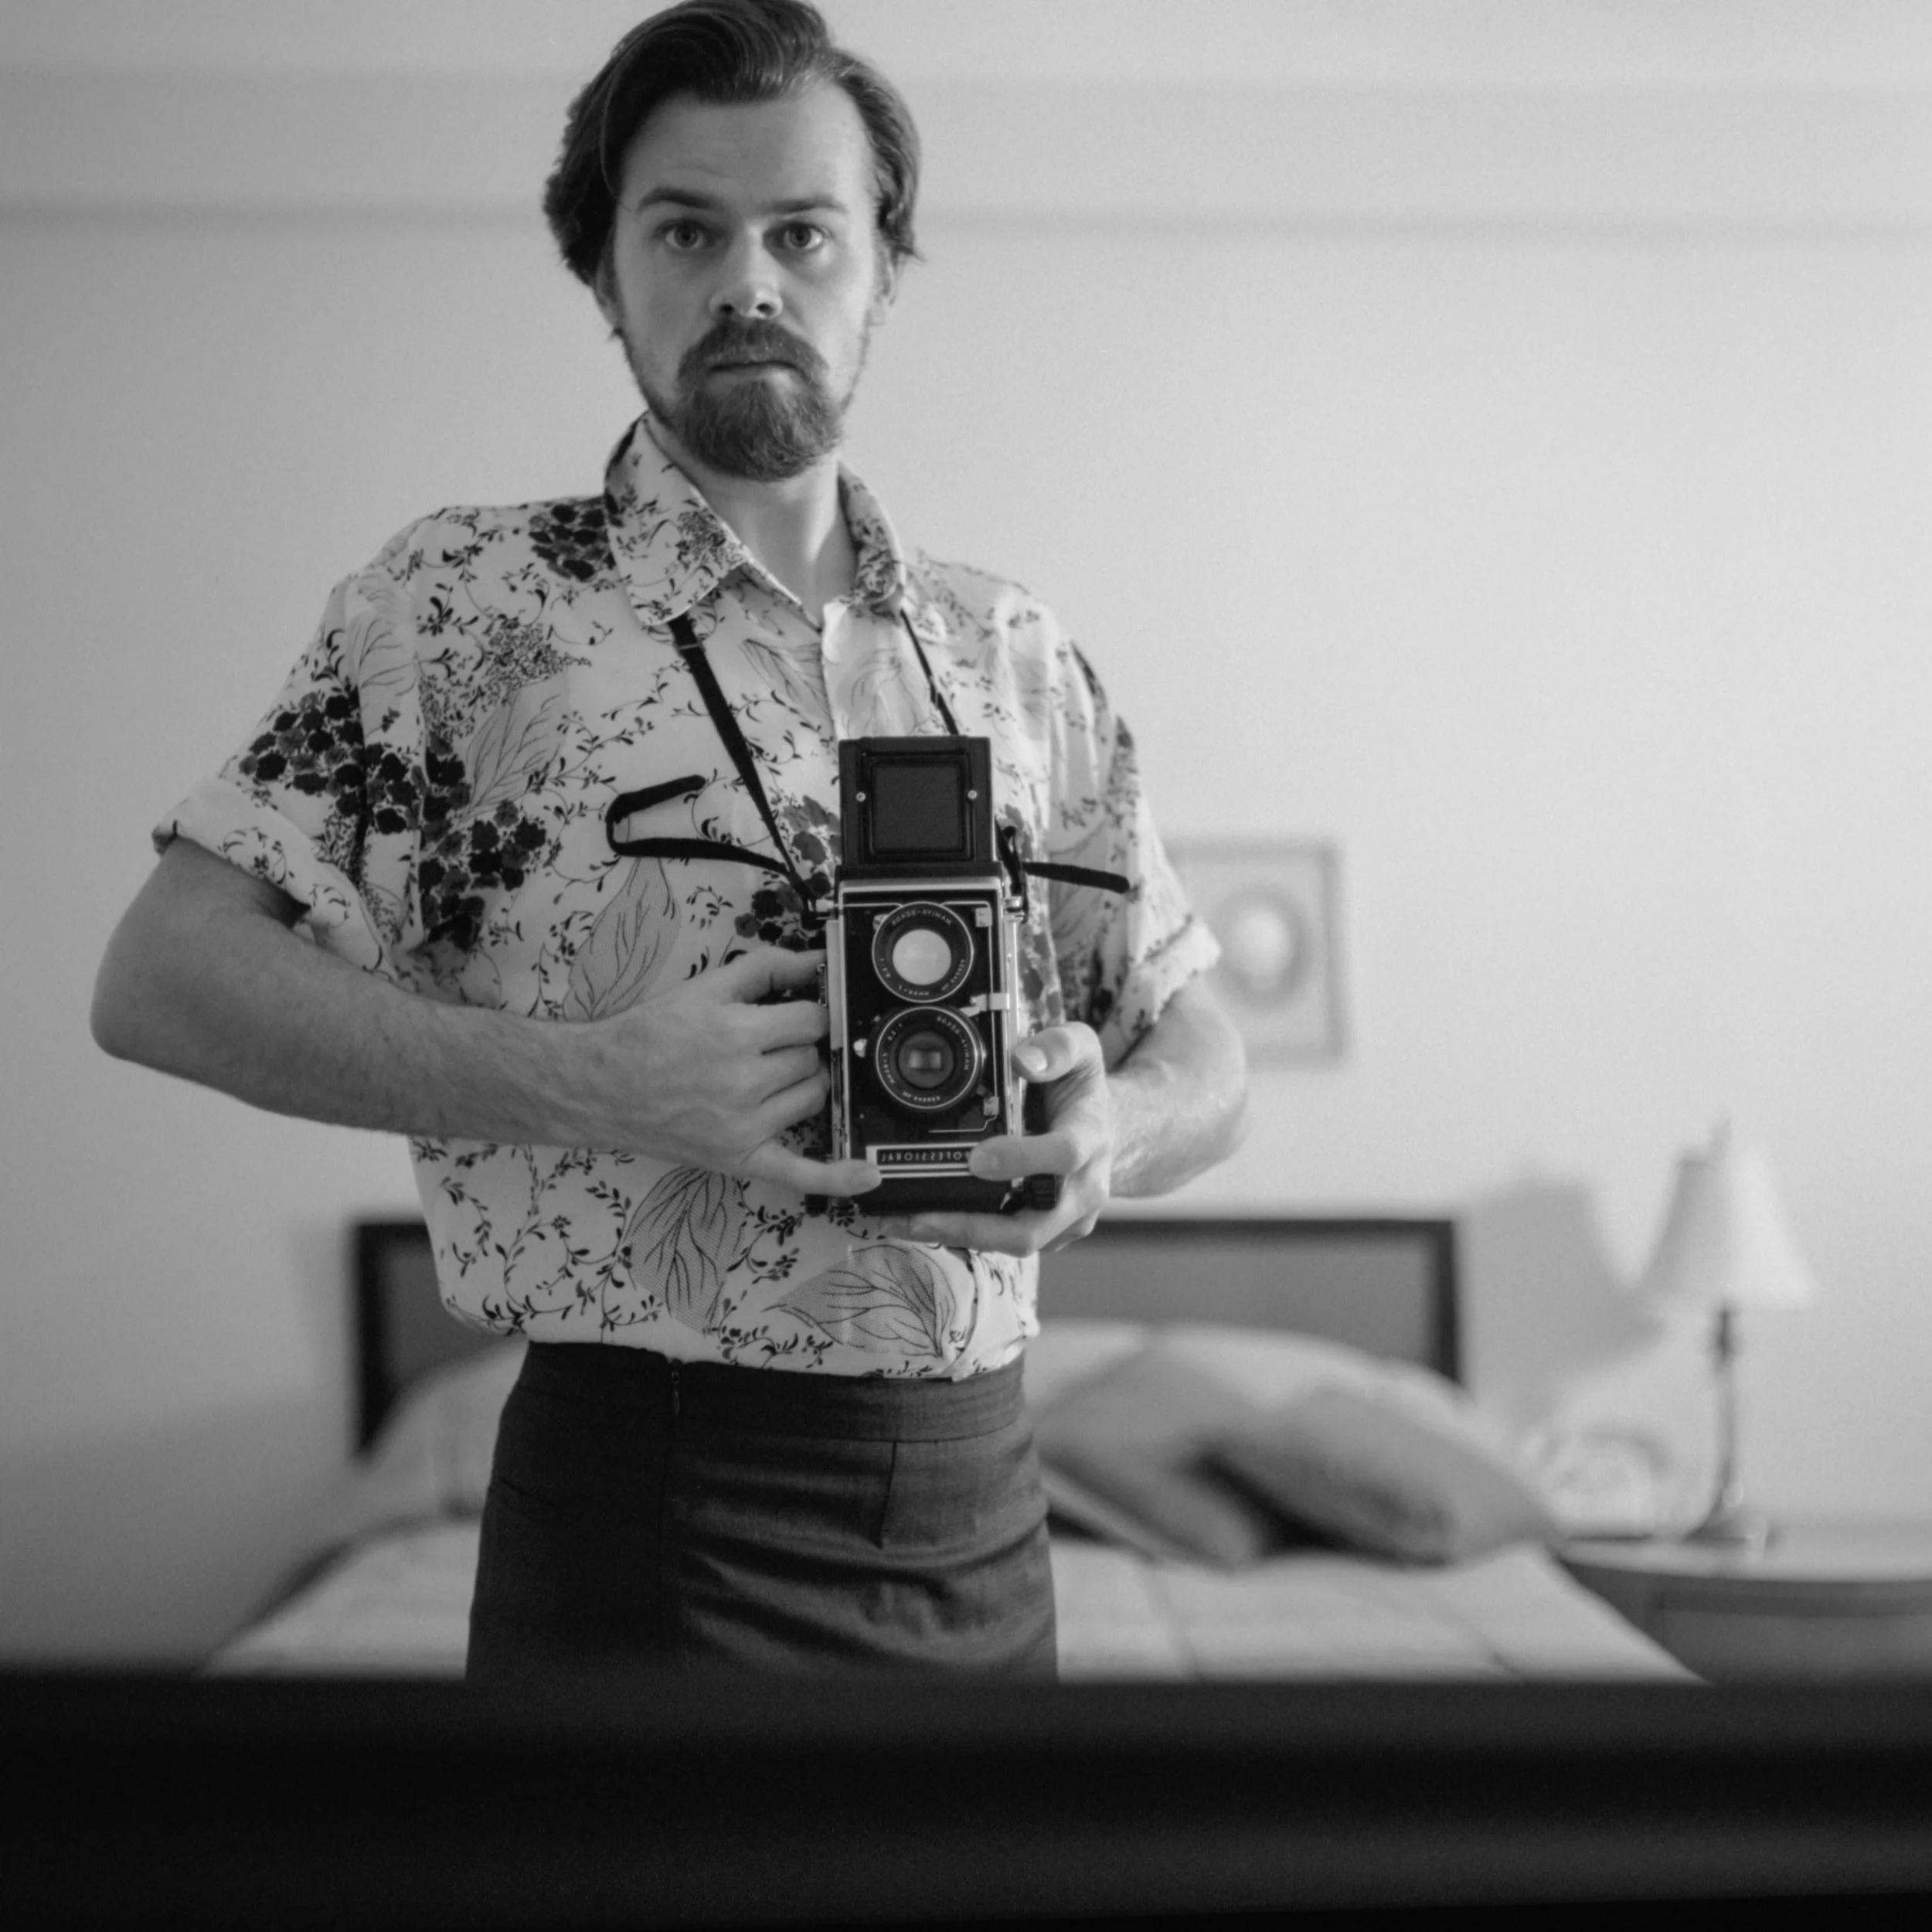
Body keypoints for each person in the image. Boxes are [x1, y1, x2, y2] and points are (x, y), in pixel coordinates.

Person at [90, 0, 1247, 1683]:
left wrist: (1112, 1135)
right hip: (645, 1491)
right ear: (604, 274)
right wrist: (598, 1084)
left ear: (882, 266)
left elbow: (1196, 1032)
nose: (749, 281)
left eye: (803, 232)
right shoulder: (461, 605)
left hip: (986, 1505)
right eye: (686, 230)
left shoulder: (1018, 654)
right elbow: (162, 978)